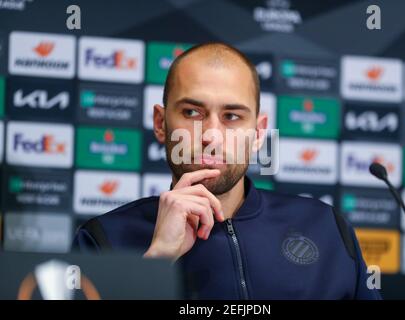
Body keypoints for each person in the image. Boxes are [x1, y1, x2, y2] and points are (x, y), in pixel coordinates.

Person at [73, 42, 381, 300]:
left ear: (258, 133)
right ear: (160, 123)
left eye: (232, 116)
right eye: (192, 113)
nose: (211, 135)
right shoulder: (103, 239)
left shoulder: (325, 228)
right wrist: (157, 260)